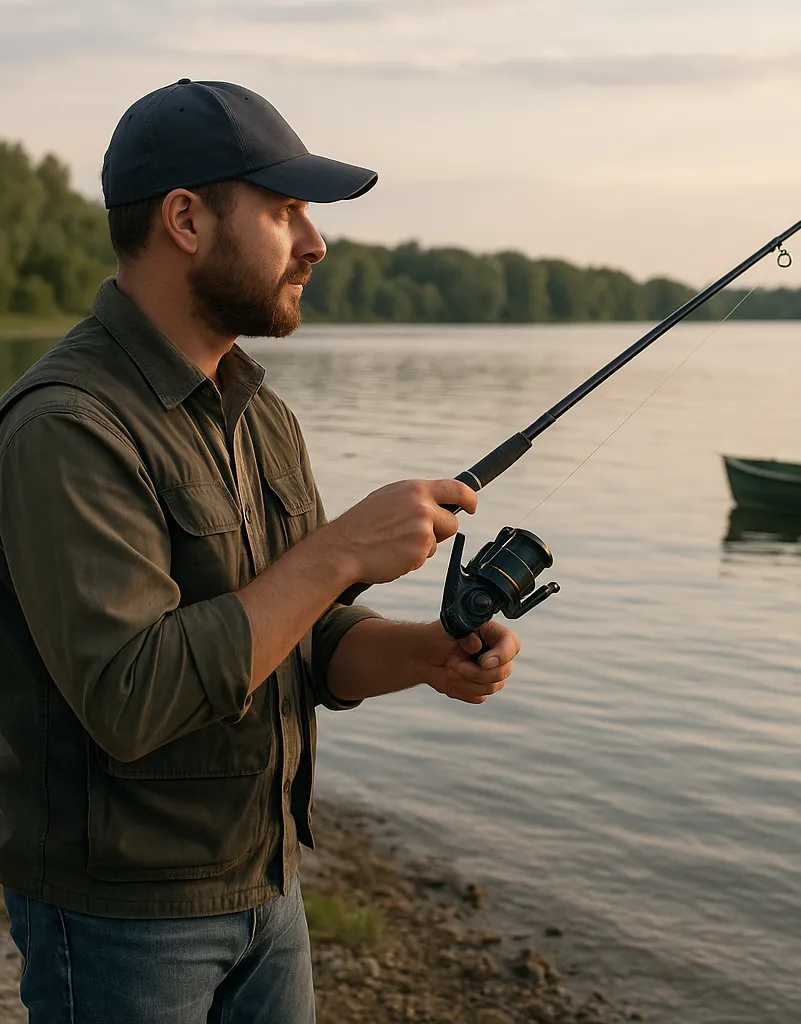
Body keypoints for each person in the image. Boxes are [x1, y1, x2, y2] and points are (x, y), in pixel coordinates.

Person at [0, 79, 523, 1024]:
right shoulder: (66, 428)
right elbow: (133, 695)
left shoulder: (261, 414)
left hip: (269, 891)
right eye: (285, 212)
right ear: (186, 219)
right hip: (122, 924)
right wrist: (339, 550)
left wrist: (427, 656)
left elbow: (303, 639)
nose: (316, 242)